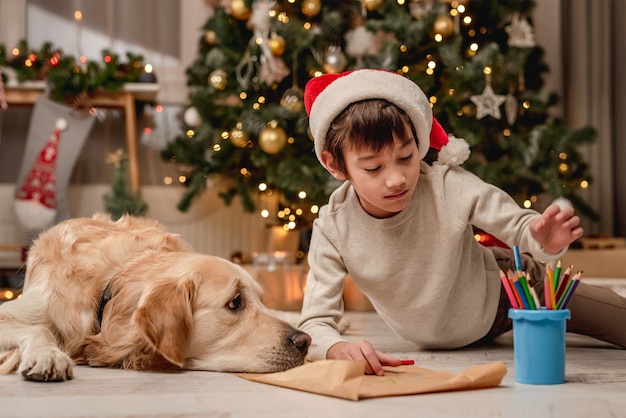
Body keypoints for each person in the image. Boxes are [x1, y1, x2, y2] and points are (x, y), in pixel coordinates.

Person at [298, 68, 626, 376]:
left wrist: (543, 240)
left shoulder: (447, 185)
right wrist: (336, 347)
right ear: (334, 164)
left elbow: (520, 226)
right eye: (373, 168)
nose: (397, 179)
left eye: (405, 157)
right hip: (456, 328)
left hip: (508, 289)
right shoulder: (333, 227)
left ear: (419, 141)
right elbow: (315, 322)